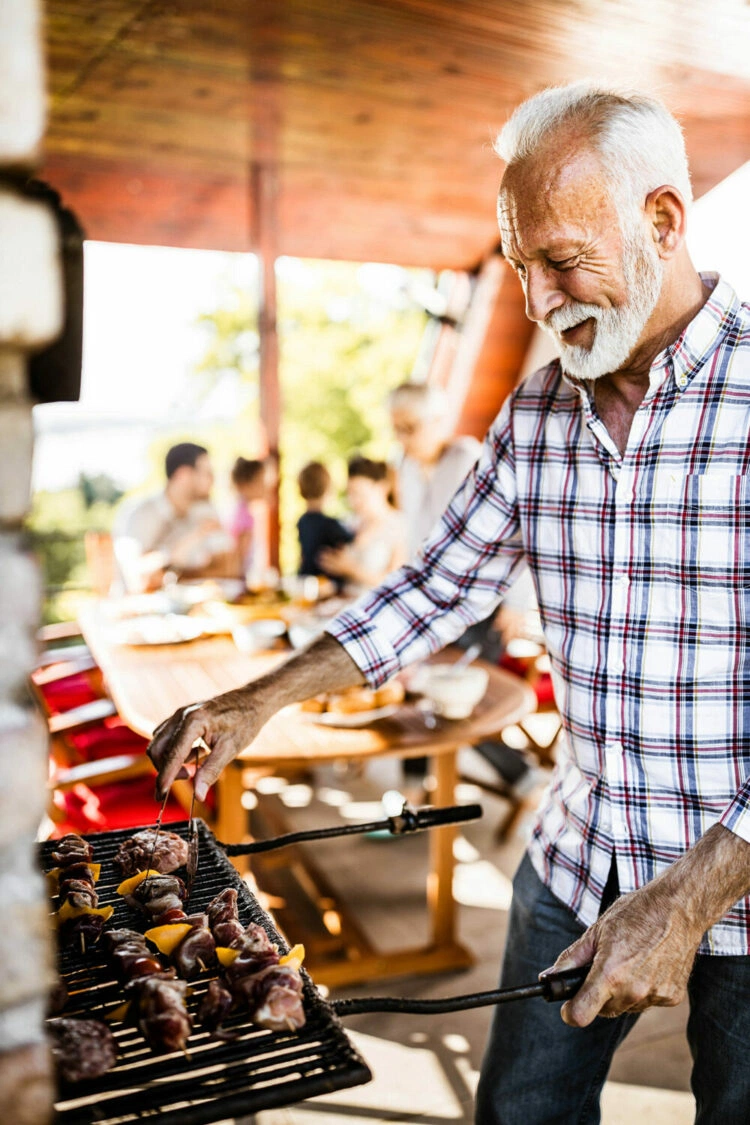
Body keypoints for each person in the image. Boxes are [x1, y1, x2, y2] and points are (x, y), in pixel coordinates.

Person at [148, 83, 750, 1123]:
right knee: (518, 1113)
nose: (536, 302)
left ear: (662, 220)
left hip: (738, 879)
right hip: (578, 850)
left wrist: (692, 894)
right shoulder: (532, 412)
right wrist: (259, 700)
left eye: (560, 261)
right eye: (518, 269)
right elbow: (432, 590)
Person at [114, 442, 233, 590]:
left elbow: (228, 567)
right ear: (183, 475)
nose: (213, 480)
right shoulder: (141, 514)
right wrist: (178, 550)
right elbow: (136, 580)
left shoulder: (203, 510)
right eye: (207, 473)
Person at [388, 381, 481, 558]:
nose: (401, 438)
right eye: (396, 429)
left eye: (409, 428)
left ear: (437, 420)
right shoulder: (405, 469)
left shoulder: (467, 458)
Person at [318, 456, 407, 594]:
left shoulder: (399, 525)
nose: (354, 501)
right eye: (350, 494)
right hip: (341, 604)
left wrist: (352, 570)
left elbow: (398, 583)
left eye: (359, 494)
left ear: (382, 487)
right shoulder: (351, 523)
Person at [296, 461, 354, 587]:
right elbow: (351, 541)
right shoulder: (330, 525)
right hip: (326, 583)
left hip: (305, 577)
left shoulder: (302, 521)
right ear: (328, 489)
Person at [227, 457, 268, 579]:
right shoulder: (245, 516)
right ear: (246, 485)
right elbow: (239, 560)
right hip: (238, 581)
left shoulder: (237, 509)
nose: (265, 487)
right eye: (261, 482)